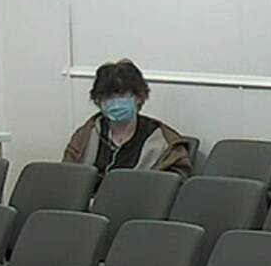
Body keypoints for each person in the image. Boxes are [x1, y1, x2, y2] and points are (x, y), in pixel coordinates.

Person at [62, 58, 194, 177]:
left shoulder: (164, 141)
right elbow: (67, 178)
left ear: (138, 98)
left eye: (123, 95)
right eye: (109, 97)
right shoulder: (86, 135)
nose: (116, 102)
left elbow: (175, 184)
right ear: (98, 101)